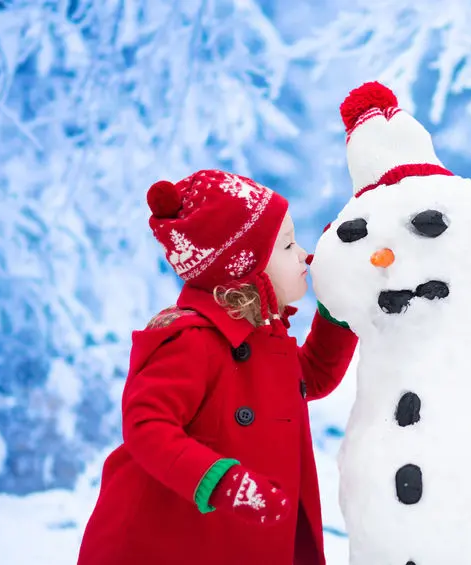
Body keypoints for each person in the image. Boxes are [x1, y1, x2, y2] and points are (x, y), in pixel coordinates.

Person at [77, 169, 357, 565]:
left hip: (231, 542)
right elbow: (146, 423)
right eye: (288, 244)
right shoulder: (191, 338)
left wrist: (340, 306)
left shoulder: (260, 335)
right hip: (165, 542)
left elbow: (310, 376)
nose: (304, 255)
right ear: (242, 265)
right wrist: (221, 480)